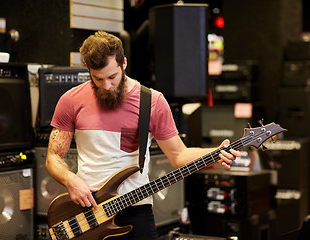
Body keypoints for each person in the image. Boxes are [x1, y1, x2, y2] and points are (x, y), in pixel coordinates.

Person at [46, 31, 240, 239]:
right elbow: (53, 157)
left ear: (124, 64)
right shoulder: (71, 100)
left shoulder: (152, 102)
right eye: (98, 79)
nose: (107, 86)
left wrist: (215, 153)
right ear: (88, 70)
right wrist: (70, 180)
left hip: (135, 208)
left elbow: (178, 156)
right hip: (86, 211)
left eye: (112, 76)